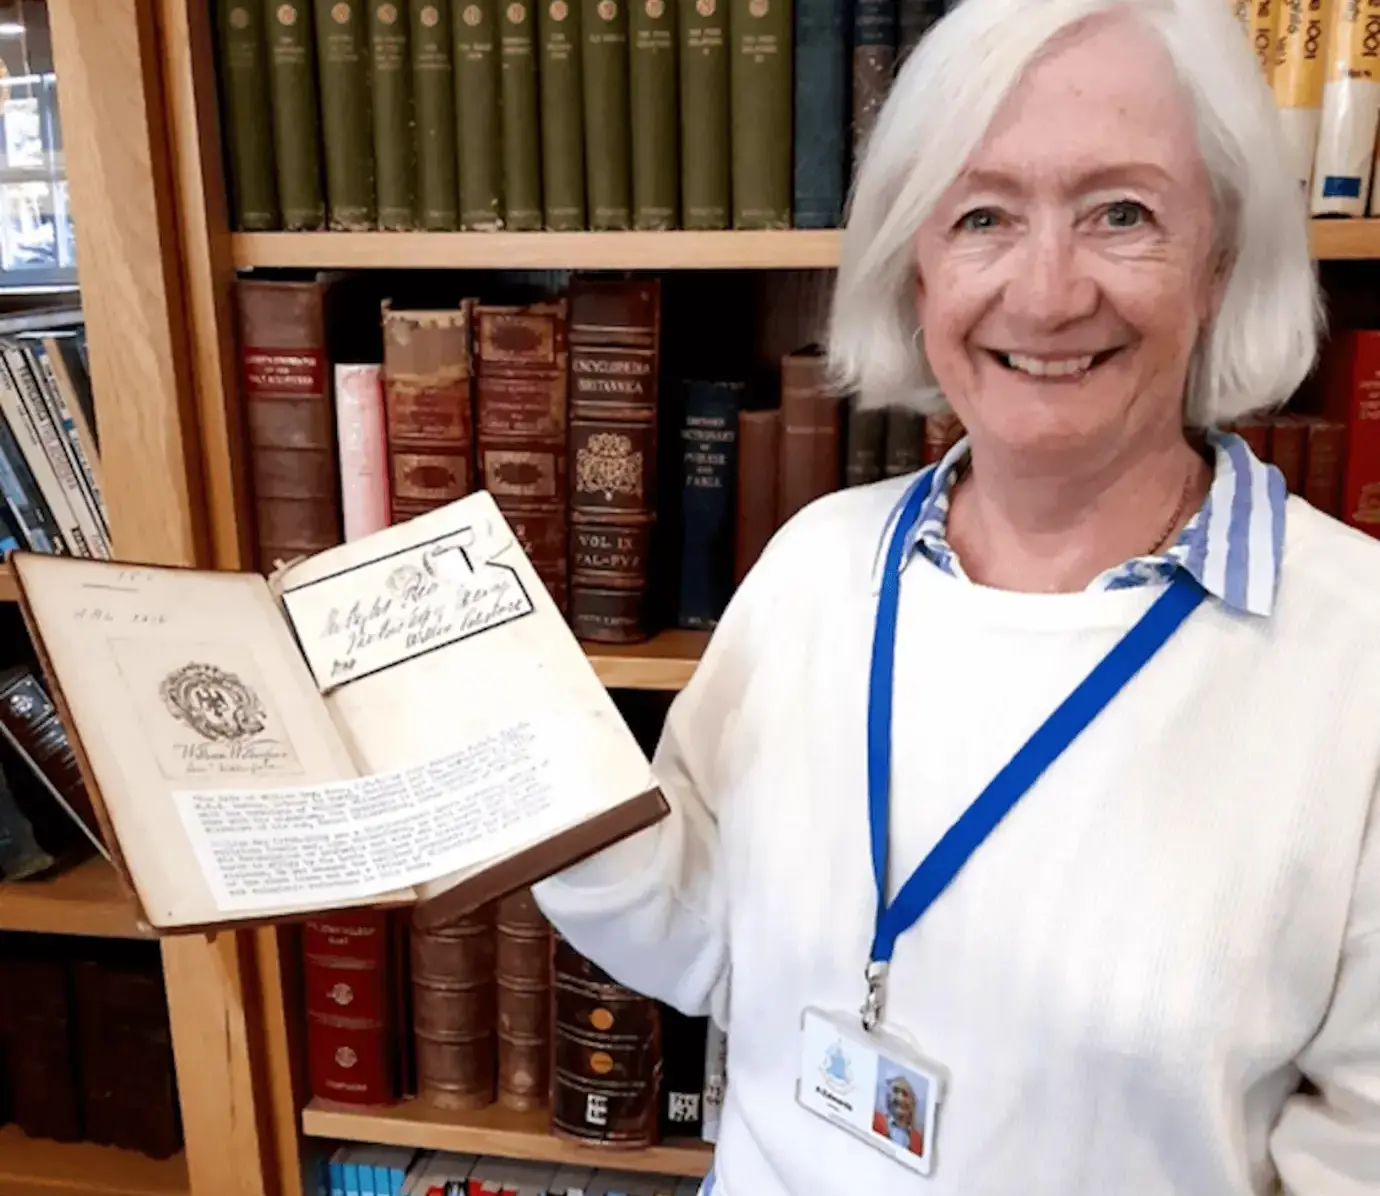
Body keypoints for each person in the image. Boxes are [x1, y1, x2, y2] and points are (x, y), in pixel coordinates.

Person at [533, 0, 1380, 1191]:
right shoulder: (817, 561)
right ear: (915, 263)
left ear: (1221, 259)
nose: (1044, 295)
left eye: (1121, 214)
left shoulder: (1359, 653)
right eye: (983, 216)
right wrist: (517, 778)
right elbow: (709, 933)